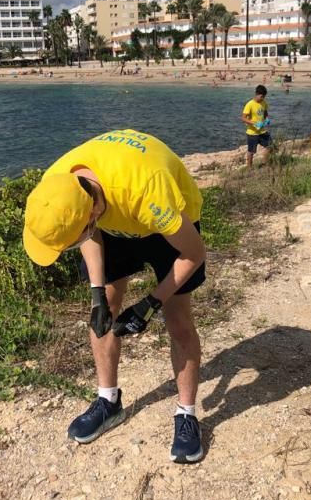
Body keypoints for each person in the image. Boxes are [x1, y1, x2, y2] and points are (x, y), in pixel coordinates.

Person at [22, 129, 207, 464]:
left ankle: (187, 414)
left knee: (177, 320)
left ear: (92, 213)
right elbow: (88, 236)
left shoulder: (146, 189)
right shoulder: (60, 184)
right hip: (112, 217)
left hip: (168, 222)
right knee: (105, 305)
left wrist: (151, 303)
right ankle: (109, 401)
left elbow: (194, 253)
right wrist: (96, 294)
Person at [242, 84, 272, 168]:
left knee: (270, 146)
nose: (262, 98)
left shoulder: (264, 103)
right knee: (251, 151)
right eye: (261, 96)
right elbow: (243, 118)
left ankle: (265, 164)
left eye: (264, 97)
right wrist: (254, 123)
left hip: (262, 131)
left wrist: (267, 119)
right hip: (252, 132)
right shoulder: (250, 104)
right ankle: (249, 168)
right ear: (257, 94)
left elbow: (265, 112)